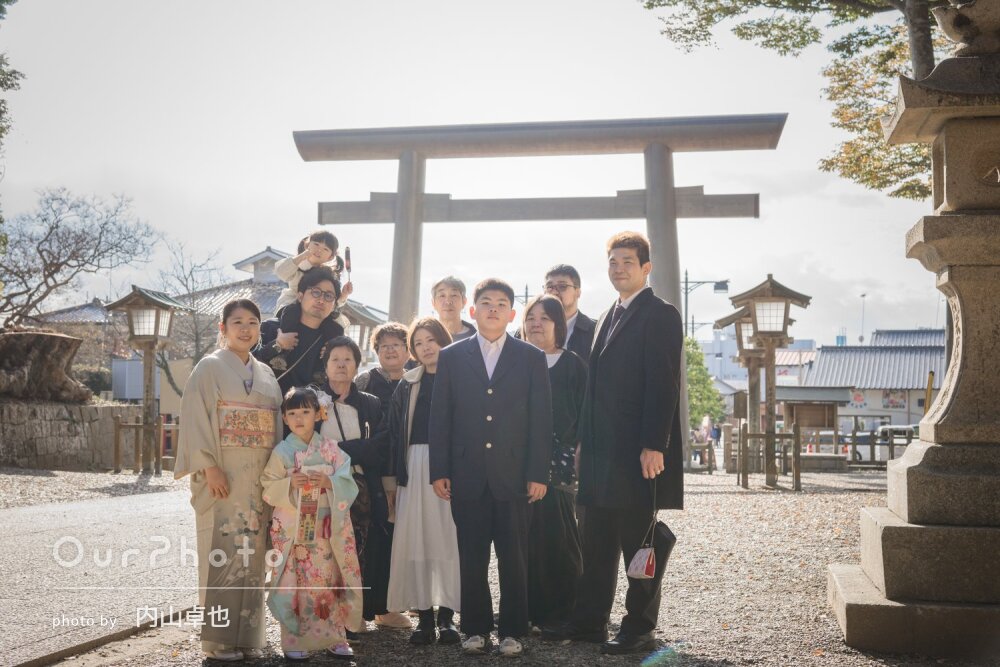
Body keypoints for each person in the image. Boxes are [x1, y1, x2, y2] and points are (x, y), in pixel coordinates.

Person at [544, 231, 683, 655]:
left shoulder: (660, 313)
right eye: (613, 262)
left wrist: (654, 443)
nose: (618, 268)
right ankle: (589, 622)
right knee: (596, 540)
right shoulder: (608, 314)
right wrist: (583, 441)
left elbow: (663, 382)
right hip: (601, 452)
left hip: (639, 451)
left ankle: (639, 627)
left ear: (646, 267)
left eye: (627, 261)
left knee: (639, 541)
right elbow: (594, 390)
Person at [429, 278, 553, 657]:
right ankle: (475, 629)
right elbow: (441, 417)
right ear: (473, 310)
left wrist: (538, 472)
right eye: (486, 302)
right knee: (472, 555)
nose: (494, 308)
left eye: (502, 303)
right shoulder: (451, 356)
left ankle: (514, 630)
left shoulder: (531, 357)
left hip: (515, 474)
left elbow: (541, 419)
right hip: (467, 473)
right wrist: (439, 469)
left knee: (514, 556)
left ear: (512, 313)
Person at [174, 299, 284, 662]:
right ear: (222, 328)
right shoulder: (208, 368)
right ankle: (219, 641)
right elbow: (194, 417)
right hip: (223, 471)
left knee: (253, 559)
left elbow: (277, 429)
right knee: (220, 553)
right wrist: (208, 467)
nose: (245, 329)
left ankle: (248, 637)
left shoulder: (266, 374)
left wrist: (276, 475)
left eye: (253, 322)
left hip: (258, 476)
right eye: (237, 322)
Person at [260, 386, 362, 661]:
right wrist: (288, 483)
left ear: (318, 414)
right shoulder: (282, 451)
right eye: (292, 413)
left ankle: (335, 637)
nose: (299, 418)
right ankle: (294, 639)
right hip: (294, 530)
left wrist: (329, 482)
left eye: (306, 411)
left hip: (324, 529)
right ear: (284, 418)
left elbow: (348, 482)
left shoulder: (330, 449)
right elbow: (267, 487)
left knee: (329, 578)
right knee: (293, 580)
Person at [316, 336, 407, 631]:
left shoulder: (370, 403)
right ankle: (328, 613)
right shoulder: (312, 400)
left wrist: (336, 449)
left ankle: (360, 612)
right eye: (335, 360)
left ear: (357, 365)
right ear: (326, 365)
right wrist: (355, 447)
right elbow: (307, 445)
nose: (341, 365)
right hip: (322, 486)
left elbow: (380, 446)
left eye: (348, 360)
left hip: (363, 485)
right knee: (326, 549)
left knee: (363, 548)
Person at [384, 317, 461, 646]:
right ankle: (424, 619)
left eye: (432, 340)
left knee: (449, 540)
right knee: (417, 541)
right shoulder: (408, 383)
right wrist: (390, 484)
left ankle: (447, 618)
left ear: (445, 341)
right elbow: (393, 436)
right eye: (419, 343)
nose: (426, 347)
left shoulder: (461, 378)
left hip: (453, 468)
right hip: (414, 468)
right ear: (412, 351)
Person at [520, 294, 586, 631]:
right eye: (531, 317)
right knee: (523, 536)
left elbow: (585, 414)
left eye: (545, 318)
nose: (536, 323)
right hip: (519, 457)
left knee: (559, 534)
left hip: (560, 458)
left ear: (558, 325)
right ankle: (526, 609)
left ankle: (563, 612)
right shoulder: (514, 361)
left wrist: (578, 450)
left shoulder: (572, 363)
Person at [255, 265, 344, 394]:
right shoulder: (271, 328)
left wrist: (335, 359)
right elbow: (247, 366)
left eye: (329, 296)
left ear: (334, 304)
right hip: (268, 408)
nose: (321, 300)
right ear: (300, 296)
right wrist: (277, 345)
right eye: (316, 292)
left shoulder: (334, 342)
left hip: (312, 411)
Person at [274, 231, 352, 332]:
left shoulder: (328, 275)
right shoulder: (298, 264)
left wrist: (344, 294)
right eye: (316, 244)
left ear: (331, 257)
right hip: (293, 302)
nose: (319, 250)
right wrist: (303, 255)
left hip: (318, 308)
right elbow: (281, 272)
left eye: (325, 249)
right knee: (290, 314)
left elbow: (332, 301)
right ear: (307, 244)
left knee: (335, 326)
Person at [543, 264, 597, 367]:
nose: (554, 292)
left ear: (578, 292)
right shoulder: (526, 331)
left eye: (562, 286)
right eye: (549, 287)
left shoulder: (597, 331)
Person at [355, 321, 409, 419]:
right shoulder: (365, 379)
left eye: (396, 345)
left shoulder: (414, 381)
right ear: (377, 351)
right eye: (384, 346)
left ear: (407, 350)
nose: (390, 350)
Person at [431, 275, 476, 342]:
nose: (448, 301)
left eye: (454, 295)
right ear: (433, 303)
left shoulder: (476, 337)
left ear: (464, 301)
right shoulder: (425, 336)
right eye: (442, 296)